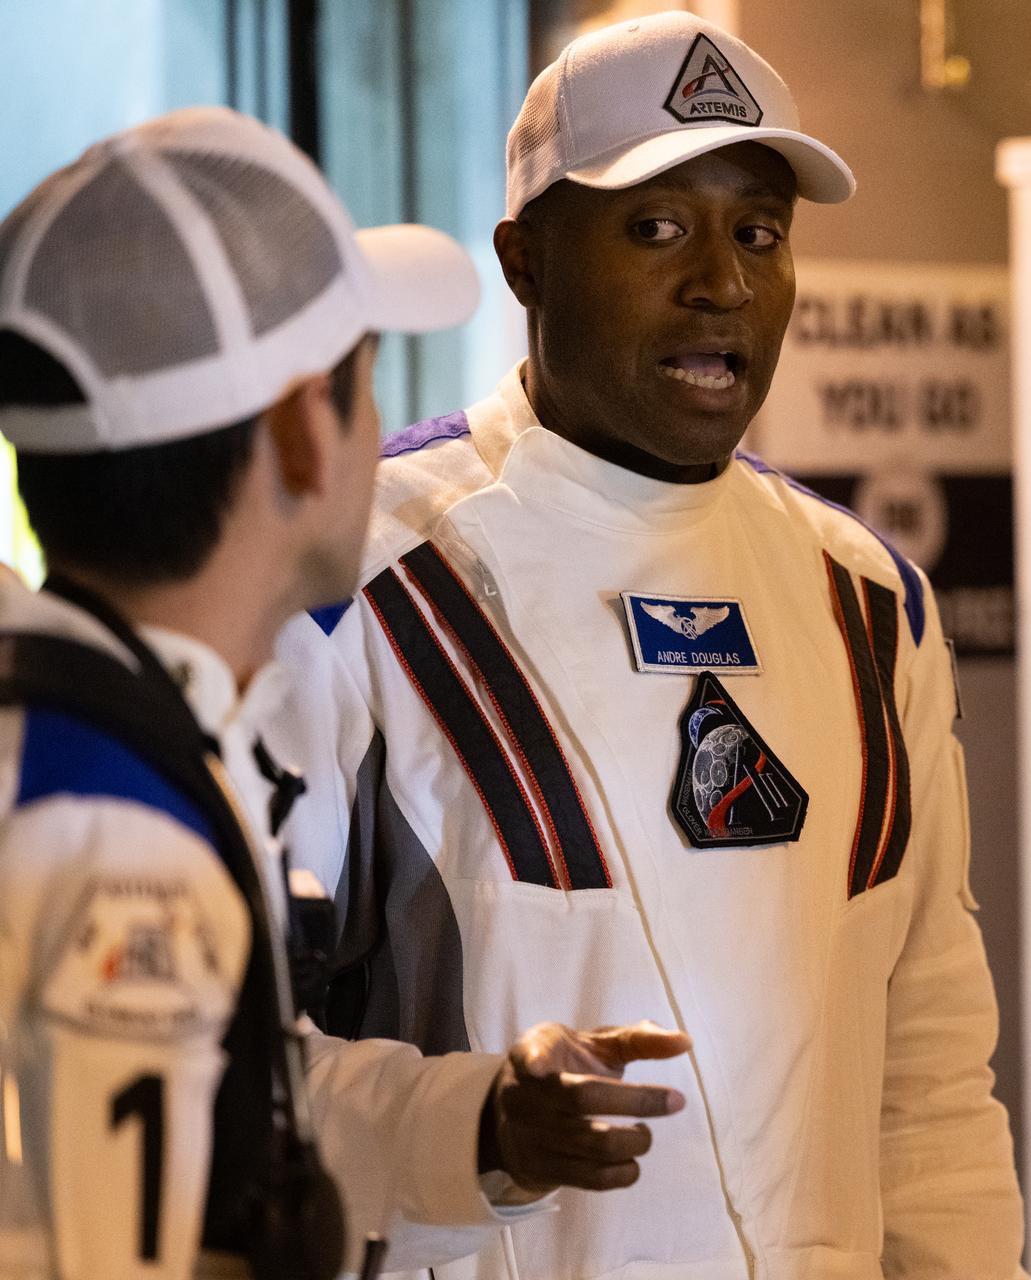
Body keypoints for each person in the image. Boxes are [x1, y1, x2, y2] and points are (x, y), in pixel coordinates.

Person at [265, 13, 1026, 1280]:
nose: (720, 282)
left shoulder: (865, 597)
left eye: (759, 233)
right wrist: (483, 1128)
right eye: (655, 227)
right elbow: (241, 1070)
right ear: (525, 260)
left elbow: (931, 1060)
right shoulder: (361, 583)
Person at [0, 107, 706, 1280]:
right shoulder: (114, 828)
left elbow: (233, 1105)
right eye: (365, 384)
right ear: (299, 439)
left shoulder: (90, 735)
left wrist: (478, 1125)